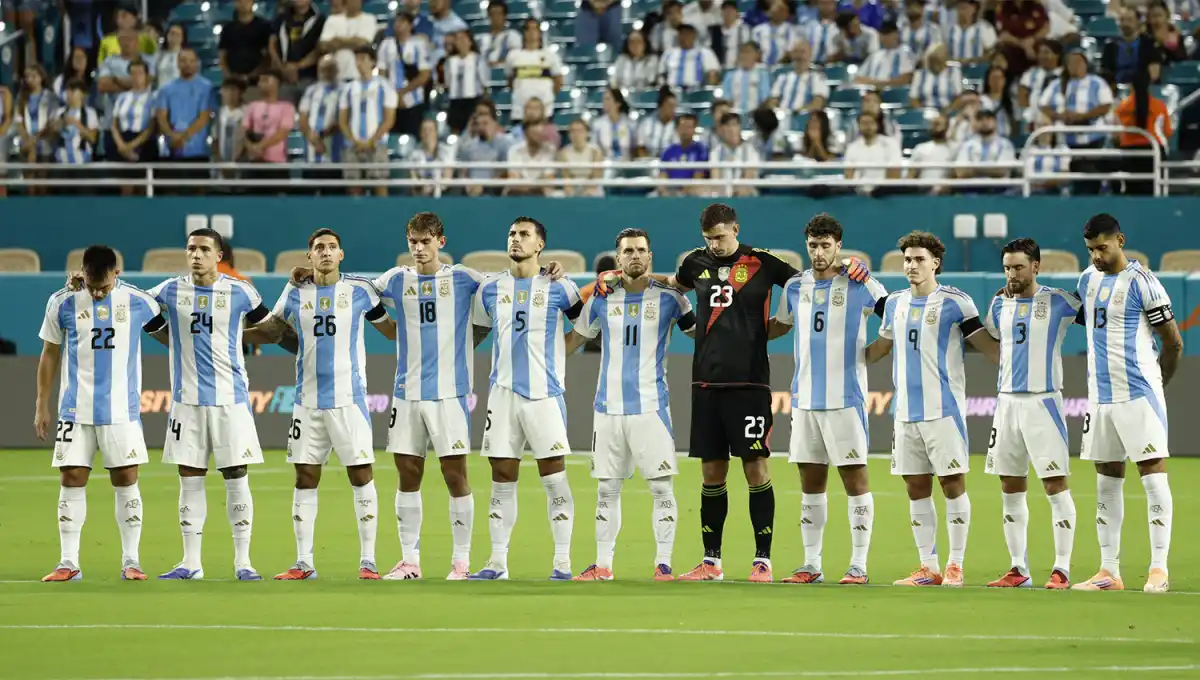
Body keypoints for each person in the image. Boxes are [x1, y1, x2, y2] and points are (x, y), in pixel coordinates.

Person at [605, 204, 817, 582]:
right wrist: (618, 274)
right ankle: (711, 561)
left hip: (750, 383)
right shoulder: (693, 263)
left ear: (735, 228)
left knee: (755, 469)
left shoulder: (763, 261)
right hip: (705, 383)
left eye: (720, 236)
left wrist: (780, 324)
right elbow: (671, 284)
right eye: (709, 238)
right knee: (711, 473)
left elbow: (806, 284)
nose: (715, 244)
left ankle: (762, 561)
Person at [250, 229, 391, 580]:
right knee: (305, 476)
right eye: (318, 248)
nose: (325, 252)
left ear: (341, 254)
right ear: (309, 256)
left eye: (331, 247)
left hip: (349, 399)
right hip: (307, 401)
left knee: (361, 475)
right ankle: (304, 562)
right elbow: (275, 330)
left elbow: (388, 328)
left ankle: (369, 560)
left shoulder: (360, 291)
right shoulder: (296, 292)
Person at [865, 231, 999, 587]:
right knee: (915, 487)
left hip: (944, 412)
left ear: (935, 262)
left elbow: (991, 348)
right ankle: (928, 566)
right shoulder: (894, 303)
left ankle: (955, 564)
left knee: (952, 483)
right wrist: (846, 358)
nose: (911, 265)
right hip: (905, 413)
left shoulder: (957, 303)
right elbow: (880, 348)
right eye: (907, 259)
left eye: (919, 259)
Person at [147, 228, 281, 581]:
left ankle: (243, 562)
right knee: (189, 477)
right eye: (191, 249)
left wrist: (234, 337)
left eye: (204, 249)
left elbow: (271, 330)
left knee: (236, 476)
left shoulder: (239, 290)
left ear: (218, 255)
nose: (196, 255)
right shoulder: (168, 290)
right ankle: (191, 563)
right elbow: (132, 307)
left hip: (230, 400)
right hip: (186, 401)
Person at [360, 213, 486, 580]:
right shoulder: (396, 279)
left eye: (426, 241)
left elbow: (507, 284)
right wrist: (387, 327)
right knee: (408, 473)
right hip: (406, 392)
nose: (418, 248)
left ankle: (461, 561)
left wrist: (550, 271)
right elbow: (357, 292)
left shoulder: (464, 278)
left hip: (450, 394)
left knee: (454, 474)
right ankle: (409, 561)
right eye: (413, 242)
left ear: (440, 242)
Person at [566, 229, 695, 581]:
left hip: (651, 407)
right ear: (617, 258)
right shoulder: (600, 299)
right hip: (607, 408)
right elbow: (572, 341)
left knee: (661, 488)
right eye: (628, 251)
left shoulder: (672, 300)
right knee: (607, 489)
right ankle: (603, 566)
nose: (634, 256)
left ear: (650, 256)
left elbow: (702, 334)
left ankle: (663, 564)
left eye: (640, 250)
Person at [767, 215, 886, 585]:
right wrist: (738, 331)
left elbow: (894, 312)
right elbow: (781, 325)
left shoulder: (858, 283)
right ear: (807, 246)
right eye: (813, 246)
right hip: (804, 400)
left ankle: (859, 565)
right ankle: (811, 564)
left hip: (845, 399)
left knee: (854, 478)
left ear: (839, 246)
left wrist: (873, 352)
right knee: (810, 481)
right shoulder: (794, 287)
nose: (819, 253)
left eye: (826, 245)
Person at [36, 245, 166, 582]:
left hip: (122, 411)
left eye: (104, 288)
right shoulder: (62, 301)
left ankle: (131, 561)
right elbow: (50, 353)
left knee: (125, 480)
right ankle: (68, 562)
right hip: (74, 409)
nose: (97, 293)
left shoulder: (139, 300)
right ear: (82, 272)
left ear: (117, 275)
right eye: (92, 286)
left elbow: (174, 304)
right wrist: (41, 404)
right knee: (72, 478)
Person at [1071, 213, 1183, 593]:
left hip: (1138, 393)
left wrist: (1157, 383)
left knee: (1152, 477)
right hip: (1100, 397)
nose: (1096, 256)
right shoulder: (1087, 279)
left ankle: (1158, 569)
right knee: (1106, 482)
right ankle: (1108, 571)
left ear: (1120, 240)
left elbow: (1173, 342)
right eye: (1090, 250)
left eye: (1102, 248)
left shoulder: (1143, 283)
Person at [469, 217, 584, 580]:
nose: (516, 239)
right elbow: (476, 334)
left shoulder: (560, 287)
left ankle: (563, 562)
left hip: (544, 394)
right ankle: (497, 562)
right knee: (502, 477)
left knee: (554, 476)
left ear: (539, 246)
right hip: (502, 395)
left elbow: (585, 327)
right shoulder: (489, 289)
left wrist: (560, 356)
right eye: (512, 234)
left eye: (524, 235)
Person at [980, 238, 1081, 590]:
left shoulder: (1059, 302)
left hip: (1044, 403)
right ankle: (1018, 568)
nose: (1012, 274)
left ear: (1036, 266)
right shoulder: (997, 305)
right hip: (1006, 403)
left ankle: (1062, 569)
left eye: (1019, 267)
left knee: (1054, 484)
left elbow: (1099, 317)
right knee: (1010, 485)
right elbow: (991, 339)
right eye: (1007, 267)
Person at [1038, 49, 1113, 195]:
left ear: (1085, 64)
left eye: (1079, 62)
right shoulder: (1057, 84)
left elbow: (1106, 106)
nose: (1075, 65)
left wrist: (1083, 116)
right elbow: (1043, 105)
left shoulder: (1097, 83)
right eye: (1071, 63)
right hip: (1067, 140)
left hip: (1094, 139)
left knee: (1090, 175)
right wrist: (1059, 116)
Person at [339, 46, 398, 198]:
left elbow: (389, 119)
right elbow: (343, 120)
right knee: (353, 188)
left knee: (380, 185)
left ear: (373, 61)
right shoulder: (348, 88)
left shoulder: (385, 86)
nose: (359, 63)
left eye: (363, 58)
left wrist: (372, 141)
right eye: (357, 59)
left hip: (377, 144)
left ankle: (383, 218)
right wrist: (354, 141)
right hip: (352, 145)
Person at [155, 49, 214, 186]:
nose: (187, 64)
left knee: (199, 192)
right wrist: (172, 136)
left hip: (198, 150)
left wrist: (182, 137)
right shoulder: (166, 89)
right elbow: (161, 117)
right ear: (177, 63)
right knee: (172, 191)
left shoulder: (206, 87)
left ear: (197, 63)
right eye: (183, 61)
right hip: (172, 150)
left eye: (191, 61)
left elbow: (204, 118)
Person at [1114, 65, 1171, 195]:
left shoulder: (1121, 108)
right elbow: (1167, 132)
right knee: (1155, 190)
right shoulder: (1159, 106)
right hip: (1154, 152)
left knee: (1133, 191)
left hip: (1129, 154)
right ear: (1149, 84)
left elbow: (1116, 135)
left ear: (1131, 85)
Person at [378, 12, 433, 139]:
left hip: (413, 101)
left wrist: (402, 92)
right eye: (396, 22)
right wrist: (391, 94)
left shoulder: (418, 44)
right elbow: (381, 74)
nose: (398, 25)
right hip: (391, 102)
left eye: (402, 22)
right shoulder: (386, 44)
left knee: (413, 136)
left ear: (410, 25)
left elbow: (424, 75)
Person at [242, 70, 296, 188]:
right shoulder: (252, 106)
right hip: (254, 162)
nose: (262, 83)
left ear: (278, 83)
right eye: (261, 80)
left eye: (266, 79)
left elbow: (282, 132)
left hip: (276, 163)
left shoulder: (287, 107)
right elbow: (244, 131)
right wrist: (251, 147)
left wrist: (260, 146)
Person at [109, 61, 157, 188]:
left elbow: (151, 126)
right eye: (133, 73)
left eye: (140, 73)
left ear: (146, 75)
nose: (136, 77)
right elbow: (114, 124)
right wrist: (121, 145)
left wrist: (132, 145)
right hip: (123, 139)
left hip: (144, 142)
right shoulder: (122, 97)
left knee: (143, 186)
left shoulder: (153, 98)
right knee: (125, 186)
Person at [298, 57, 345, 187]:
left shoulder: (345, 90)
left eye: (332, 68)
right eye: (325, 68)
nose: (328, 72)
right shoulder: (311, 90)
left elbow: (345, 118)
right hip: (311, 153)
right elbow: (303, 118)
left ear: (338, 70)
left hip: (336, 154)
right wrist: (314, 139)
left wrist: (326, 136)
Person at [269, 0, 327, 104]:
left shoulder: (320, 20)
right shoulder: (281, 19)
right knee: (285, 114)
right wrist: (283, 69)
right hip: (286, 79)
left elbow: (319, 49)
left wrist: (298, 66)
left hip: (310, 78)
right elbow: (272, 46)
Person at [507, 19, 564, 124]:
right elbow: (510, 80)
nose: (532, 32)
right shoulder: (513, 56)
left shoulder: (550, 55)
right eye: (528, 29)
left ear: (540, 33)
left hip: (545, 111)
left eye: (535, 29)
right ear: (524, 33)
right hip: (519, 111)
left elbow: (558, 81)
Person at [15, 65, 57, 197]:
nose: (29, 79)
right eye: (27, 76)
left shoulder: (50, 96)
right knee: (30, 183)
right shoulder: (21, 97)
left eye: (33, 76)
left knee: (42, 183)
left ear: (41, 77)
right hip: (26, 142)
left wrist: (35, 139)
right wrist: (27, 139)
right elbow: (18, 121)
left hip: (44, 142)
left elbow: (51, 121)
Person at [456, 107, 513, 196]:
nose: (482, 127)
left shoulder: (504, 143)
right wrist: (467, 184)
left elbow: (506, 171)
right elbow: (463, 171)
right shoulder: (469, 146)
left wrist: (485, 186)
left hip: (494, 190)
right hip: (471, 190)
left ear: (495, 123)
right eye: (479, 124)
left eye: (486, 123)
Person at [319, 0, 380, 82]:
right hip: (336, 76)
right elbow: (324, 45)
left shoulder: (369, 19)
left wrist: (337, 40)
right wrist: (353, 41)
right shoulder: (332, 20)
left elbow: (363, 43)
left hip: (358, 75)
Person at [843, 110, 901, 195]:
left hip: (884, 193)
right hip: (858, 194)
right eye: (864, 123)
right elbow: (848, 175)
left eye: (871, 123)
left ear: (877, 125)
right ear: (858, 126)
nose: (868, 126)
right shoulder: (852, 147)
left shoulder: (890, 144)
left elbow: (895, 173)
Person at [953, 107, 1016, 182]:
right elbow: (961, 172)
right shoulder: (967, 145)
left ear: (995, 122)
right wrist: (990, 170)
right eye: (980, 119)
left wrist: (973, 170)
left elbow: (1001, 171)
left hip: (999, 190)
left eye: (988, 118)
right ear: (976, 123)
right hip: (972, 189)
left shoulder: (1005, 145)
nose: (984, 122)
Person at [443, 31, 488, 135]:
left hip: (473, 99)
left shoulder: (478, 59)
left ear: (470, 42)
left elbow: (484, 82)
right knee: (455, 129)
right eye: (458, 39)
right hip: (456, 101)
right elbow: (448, 82)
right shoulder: (450, 62)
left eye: (464, 38)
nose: (461, 42)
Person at [220, 0, 272, 87]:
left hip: (257, 80)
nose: (244, 4)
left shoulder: (264, 26)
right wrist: (228, 75)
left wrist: (252, 75)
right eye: (240, 1)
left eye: (247, 1)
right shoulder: (228, 28)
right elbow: (222, 55)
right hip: (233, 81)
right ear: (235, 3)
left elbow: (268, 55)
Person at [767, 41, 830, 112]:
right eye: (796, 52)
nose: (799, 56)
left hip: (805, 119)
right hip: (782, 118)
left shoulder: (818, 78)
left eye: (803, 52)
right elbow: (772, 102)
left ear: (810, 54)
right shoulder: (782, 78)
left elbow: (817, 104)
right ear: (791, 55)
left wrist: (796, 113)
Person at [709, 112, 760, 196]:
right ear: (721, 129)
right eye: (727, 125)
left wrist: (737, 192)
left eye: (735, 125)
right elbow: (715, 179)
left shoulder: (750, 150)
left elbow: (749, 177)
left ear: (740, 127)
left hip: (746, 195)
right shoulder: (715, 153)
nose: (731, 129)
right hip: (723, 195)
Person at [52, 80, 101, 168]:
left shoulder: (90, 113)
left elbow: (93, 138)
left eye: (73, 91)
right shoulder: (60, 112)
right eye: (67, 91)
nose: (69, 94)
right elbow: (53, 136)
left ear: (82, 94)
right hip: (61, 160)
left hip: (82, 160)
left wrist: (77, 124)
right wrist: (59, 124)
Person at [1101, 8, 1155, 86]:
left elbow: (1154, 73)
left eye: (1129, 20)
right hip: (1116, 87)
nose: (1125, 24)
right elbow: (1106, 71)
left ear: (1138, 22)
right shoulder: (1110, 45)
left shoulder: (1148, 43)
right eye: (1122, 20)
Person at [995, 0, 1049, 77]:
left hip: (1034, 48)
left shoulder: (1037, 6)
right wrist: (1022, 44)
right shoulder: (1004, 8)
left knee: (1045, 53)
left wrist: (1033, 39)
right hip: (1013, 49)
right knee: (1000, 59)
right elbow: (1003, 35)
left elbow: (1046, 28)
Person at [659, 114, 709, 196]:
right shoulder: (669, 150)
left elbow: (698, 176)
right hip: (670, 191)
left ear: (694, 129)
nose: (685, 131)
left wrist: (682, 194)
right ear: (677, 129)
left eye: (689, 127)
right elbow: (663, 175)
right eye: (682, 127)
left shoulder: (700, 150)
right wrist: (664, 192)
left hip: (692, 192)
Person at [660, 23, 722, 89]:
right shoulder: (668, 53)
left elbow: (713, 74)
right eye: (681, 33)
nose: (684, 36)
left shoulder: (704, 52)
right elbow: (661, 75)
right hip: (673, 92)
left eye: (687, 33)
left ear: (694, 35)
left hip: (696, 93)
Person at [504, 119, 557, 196]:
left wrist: (529, 186)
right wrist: (536, 184)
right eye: (535, 134)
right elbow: (514, 179)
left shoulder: (550, 150)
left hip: (542, 196)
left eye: (541, 134)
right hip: (518, 195)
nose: (539, 137)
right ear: (526, 134)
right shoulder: (514, 151)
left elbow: (549, 180)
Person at [1018, 40, 1062, 131]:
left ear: (1057, 55)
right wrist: (1028, 116)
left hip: (1059, 120)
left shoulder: (1065, 75)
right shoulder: (1031, 74)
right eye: (1040, 52)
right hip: (1034, 121)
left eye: (1046, 52)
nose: (1042, 56)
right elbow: (1022, 96)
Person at [855, 21, 914, 88]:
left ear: (896, 34)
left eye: (887, 33)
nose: (884, 37)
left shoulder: (905, 51)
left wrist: (875, 84)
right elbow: (858, 78)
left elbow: (904, 80)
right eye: (882, 34)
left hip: (893, 93)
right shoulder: (875, 54)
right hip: (870, 92)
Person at [407, 118, 456, 193]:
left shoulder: (446, 151)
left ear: (436, 132)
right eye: (424, 130)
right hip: (421, 193)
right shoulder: (413, 154)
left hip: (443, 193)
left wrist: (433, 187)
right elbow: (413, 179)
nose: (427, 133)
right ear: (420, 133)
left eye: (430, 129)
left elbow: (447, 178)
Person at [721, 42, 773, 114]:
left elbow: (765, 98)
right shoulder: (730, 75)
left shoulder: (763, 75)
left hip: (756, 114)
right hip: (735, 115)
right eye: (742, 52)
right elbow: (727, 98)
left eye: (748, 52)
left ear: (757, 55)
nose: (745, 56)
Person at [910, 43, 963, 113]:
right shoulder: (920, 74)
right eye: (932, 60)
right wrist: (922, 113)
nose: (935, 63)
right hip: (925, 112)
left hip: (948, 111)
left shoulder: (954, 72)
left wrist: (948, 111)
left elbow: (959, 97)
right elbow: (914, 98)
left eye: (938, 60)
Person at [558, 118, 605, 197]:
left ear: (586, 133)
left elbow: (596, 177)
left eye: (579, 130)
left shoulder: (596, 151)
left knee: (592, 193)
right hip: (573, 187)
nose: (576, 134)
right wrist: (571, 192)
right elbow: (567, 179)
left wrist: (585, 193)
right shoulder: (564, 152)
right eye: (572, 131)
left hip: (592, 187)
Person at [906, 114, 953, 192]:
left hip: (948, 193)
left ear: (947, 127)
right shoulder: (920, 148)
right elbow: (911, 175)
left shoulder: (954, 149)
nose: (934, 127)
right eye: (933, 124)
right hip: (924, 192)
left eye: (938, 124)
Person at [751, 0, 802, 66]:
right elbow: (754, 50)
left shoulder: (791, 30)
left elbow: (790, 50)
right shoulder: (758, 30)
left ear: (787, 14)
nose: (780, 13)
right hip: (761, 66)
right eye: (777, 9)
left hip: (783, 66)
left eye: (783, 10)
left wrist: (780, 65)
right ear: (770, 12)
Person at [636, 87, 681, 157]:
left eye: (675, 107)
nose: (673, 110)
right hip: (649, 164)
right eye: (670, 106)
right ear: (661, 106)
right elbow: (640, 147)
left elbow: (679, 150)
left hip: (670, 164)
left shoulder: (677, 126)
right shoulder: (646, 124)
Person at [593, 88, 636, 160]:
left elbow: (635, 148)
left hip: (626, 164)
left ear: (618, 103)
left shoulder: (630, 124)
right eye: (604, 99)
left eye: (608, 99)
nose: (604, 102)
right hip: (606, 164)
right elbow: (594, 148)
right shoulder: (598, 124)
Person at [480, 0, 522, 66]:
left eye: (499, 14)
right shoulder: (484, 39)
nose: (496, 17)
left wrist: (497, 63)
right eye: (493, 14)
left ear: (505, 16)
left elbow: (516, 58)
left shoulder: (514, 36)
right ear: (489, 16)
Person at [717, 0, 754, 69]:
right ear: (721, 12)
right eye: (725, 9)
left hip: (738, 69)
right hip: (718, 69)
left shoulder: (745, 30)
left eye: (731, 9)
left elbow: (750, 51)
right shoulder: (714, 31)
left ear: (737, 13)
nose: (728, 12)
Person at [157, 24, 187, 89]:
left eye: (177, 34)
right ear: (167, 36)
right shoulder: (160, 56)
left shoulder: (186, 57)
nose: (174, 37)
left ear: (182, 38)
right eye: (172, 33)